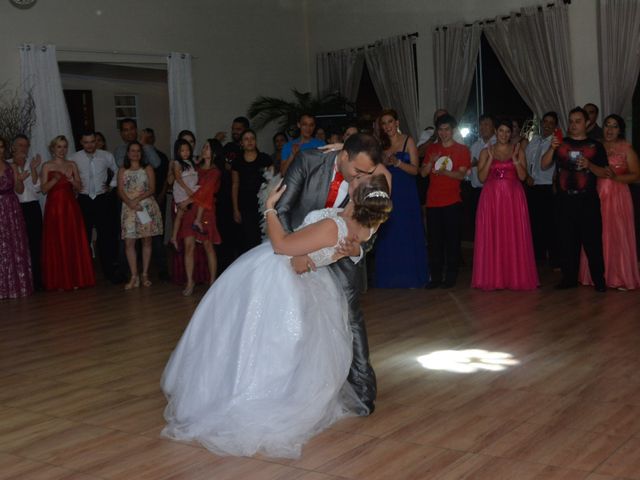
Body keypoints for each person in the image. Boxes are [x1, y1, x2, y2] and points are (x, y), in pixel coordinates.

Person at [161, 174, 392, 459]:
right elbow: (356, 244)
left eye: (357, 182)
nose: (352, 179)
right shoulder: (367, 223)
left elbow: (281, 245)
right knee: (291, 348)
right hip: (312, 279)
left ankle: (249, 397)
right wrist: (353, 249)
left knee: (258, 340)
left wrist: (269, 207)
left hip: (280, 274)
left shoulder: (335, 225)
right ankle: (278, 393)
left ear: (357, 198)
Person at [276, 133, 390, 415]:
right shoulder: (308, 161)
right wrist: (298, 248)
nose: (362, 177)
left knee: (349, 318)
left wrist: (357, 250)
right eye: (358, 171)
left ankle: (362, 394)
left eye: (367, 172)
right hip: (300, 245)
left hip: (341, 249)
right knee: (296, 318)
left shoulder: (367, 172)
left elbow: (374, 216)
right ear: (343, 157)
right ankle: (294, 384)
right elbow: (284, 207)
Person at [541, 107, 609, 291]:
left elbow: (605, 172)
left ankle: (599, 280)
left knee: (592, 241)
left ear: (587, 123)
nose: (573, 124)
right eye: (571, 121)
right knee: (566, 240)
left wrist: (589, 164)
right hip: (564, 201)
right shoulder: (561, 143)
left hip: (588, 200)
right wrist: (552, 147)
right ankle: (569, 278)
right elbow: (544, 164)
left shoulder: (596, 146)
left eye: (578, 121)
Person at [472, 119, 538, 290]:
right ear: (496, 131)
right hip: (492, 198)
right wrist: (490, 159)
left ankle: (514, 277)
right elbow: (481, 178)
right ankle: (494, 278)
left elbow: (523, 177)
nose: (504, 135)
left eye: (507, 132)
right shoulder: (486, 151)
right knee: (494, 235)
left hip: (513, 198)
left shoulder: (518, 150)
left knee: (512, 234)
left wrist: (515, 159)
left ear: (511, 133)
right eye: (501, 131)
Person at [579, 114, 640, 290]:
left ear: (620, 130)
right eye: (607, 125)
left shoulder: (626, 148)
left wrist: (616, 178)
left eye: (614, 126)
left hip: (618, 195)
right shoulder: (595, 146)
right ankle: (595, 275)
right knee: (595, 234)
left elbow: (636, 174)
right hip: (596, 195)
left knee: (617, 234)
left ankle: (620, 276)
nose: (610, 129)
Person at [374, 109, 428, 288]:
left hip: (406, 192)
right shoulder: (381, 145)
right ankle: (391, 277)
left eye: (390, 122)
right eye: (384, 123)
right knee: (389, 232)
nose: (387, 126)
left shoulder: (408, 140)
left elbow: (416, 170)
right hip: (388, 192)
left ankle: (411, 276)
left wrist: (397, 163)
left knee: (407, 231)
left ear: (397, 123)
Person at [421, 114, 471, 288]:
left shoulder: (462, 150)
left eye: (447, 129)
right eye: (440, 129)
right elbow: (423, 173)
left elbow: (461, 174)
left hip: (452, 201)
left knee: (452, 240)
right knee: (434, 242)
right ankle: (435, 278)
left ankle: (450, 277)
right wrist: (431, 162)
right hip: (433, 202)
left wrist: (444, 172)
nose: (443, 133)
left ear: (453, 130)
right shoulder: (432, 149)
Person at [40, 135, 95, 291]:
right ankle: (59, 281)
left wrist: (71, 180)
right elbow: (43, 190)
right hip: (54, 208)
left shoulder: (72, 164)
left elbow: (79, 188)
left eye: (64, 147)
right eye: (59, 147)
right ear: (53, 148)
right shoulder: (47, 166)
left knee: (72, 240)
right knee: (57, 241)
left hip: (70, 207)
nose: (62, 150)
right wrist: (55, 179)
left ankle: (76, 278)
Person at [70, 131, 120, 283]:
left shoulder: (106, 155)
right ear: (81, 142)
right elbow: (68, 175)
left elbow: (118, 171)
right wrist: (74, 186)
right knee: (83, 237)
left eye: (92, 141)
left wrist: (111, 186)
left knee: (106, 237)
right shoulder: (74, 158)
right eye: (86, 142)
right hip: (83, 199)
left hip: (101, 199)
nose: (90, 145)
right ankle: (83, 275)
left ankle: (110, 273)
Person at [177, 138, 223, 296]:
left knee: (208, 246)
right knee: (189, 245)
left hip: (206, 211)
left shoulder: (215, 171)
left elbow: (205, 191)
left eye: (208, 148)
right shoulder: (194, 168)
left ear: (214, 152)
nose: (204, 149)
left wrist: (187, 201)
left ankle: (212, 282)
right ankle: (190, 281)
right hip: (191, 210)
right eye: (204, 147)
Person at [117, 141, 163, 289]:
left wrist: (136, 200)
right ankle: (134, 276)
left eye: (138, 151)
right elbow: (120, 190)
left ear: (141, 153)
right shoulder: (123, 170)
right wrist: (129, 202)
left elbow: (151, 189)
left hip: (145, 207)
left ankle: (145, 274)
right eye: (132, 150)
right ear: (128, 153)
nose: (135, 153)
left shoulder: (147, 168)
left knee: (146, 240)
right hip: (129, 208)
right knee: (129, 242)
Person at [524, 111, 560, 266]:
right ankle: (537, 257)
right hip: (532, 186)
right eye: (545, 121)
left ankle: (554, 258)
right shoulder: (534, 141)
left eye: (551, 123)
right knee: (534, 223)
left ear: (555, 126)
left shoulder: (557, 143)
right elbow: (524, 161)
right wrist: (526, 176)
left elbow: (558, 166)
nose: (547, 125)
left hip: (548, 187)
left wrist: (555, 183)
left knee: (551, 224)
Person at [8, 134, 42, 290]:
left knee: (36, 243)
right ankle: (22, 280)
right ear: (13, 147)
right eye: (20, 145)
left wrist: (34, 169)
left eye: (26, 145)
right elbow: (17, 190)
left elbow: (37, 188)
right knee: (19, 245)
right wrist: (19, 178)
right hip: (16, 208)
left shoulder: (31, 163)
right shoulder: (7, 165)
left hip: (33, 206)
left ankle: (37, 281)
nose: (24, 148)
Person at [0, 137, 33, 299]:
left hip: (11, 207)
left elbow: (19, 190)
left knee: (14, 246)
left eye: (0, 147)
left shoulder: (10, 166)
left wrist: (19, 180)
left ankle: (16, 286)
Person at [232, 129, 273, 252]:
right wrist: (235, 209)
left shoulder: (265, 158)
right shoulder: (237, 161)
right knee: (250, 239)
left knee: (265, 237)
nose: (249, 141)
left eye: (252, 138)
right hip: (245, 205)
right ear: (241, 143)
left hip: (263, 204)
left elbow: (272, 182)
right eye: (246, 139)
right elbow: (235, 185)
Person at [465, 114, 496, 239]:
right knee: (477, 223)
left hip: (491, 190)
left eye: (486, 124)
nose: (483, 127)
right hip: (475, 190)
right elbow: (469, 166)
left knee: (492, 223)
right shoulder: (475, 145)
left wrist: (478, 163)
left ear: (494, 127)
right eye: (481, 125)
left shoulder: (497, 144)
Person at [169, 139, 199, 250]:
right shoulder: (177, 163)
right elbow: (178, 178)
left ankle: (177, 236)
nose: (185, 152)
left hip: (191, 188)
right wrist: (187, 189)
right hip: (182, 190)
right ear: (177, 152)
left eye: (187, 150)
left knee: (187, 212)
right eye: (182, 150)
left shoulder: (191, 162)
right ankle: (174, 237)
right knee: (180, 214)